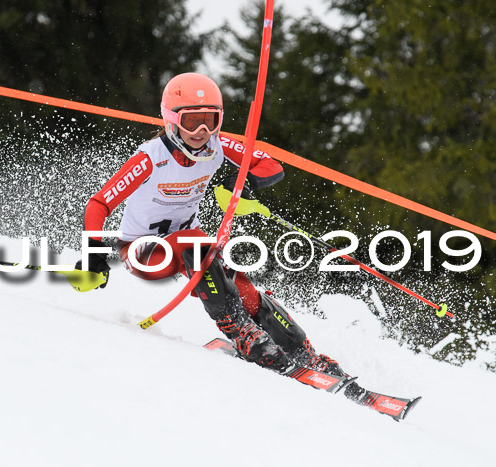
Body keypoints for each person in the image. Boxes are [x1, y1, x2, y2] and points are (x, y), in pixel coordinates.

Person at [78, 72, 365, 400]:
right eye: (192, 122)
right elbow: (99, 203)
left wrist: (243, 182)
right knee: (199, 247)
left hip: (190, 242)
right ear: (172, 120)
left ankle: (302, 351)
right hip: (144, 251)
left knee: (240, 284)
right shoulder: (150, 157)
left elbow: (269, 166)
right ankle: (246, 337)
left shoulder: (216, 146)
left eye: (210, 121)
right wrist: (94, 254)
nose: (202, 132)